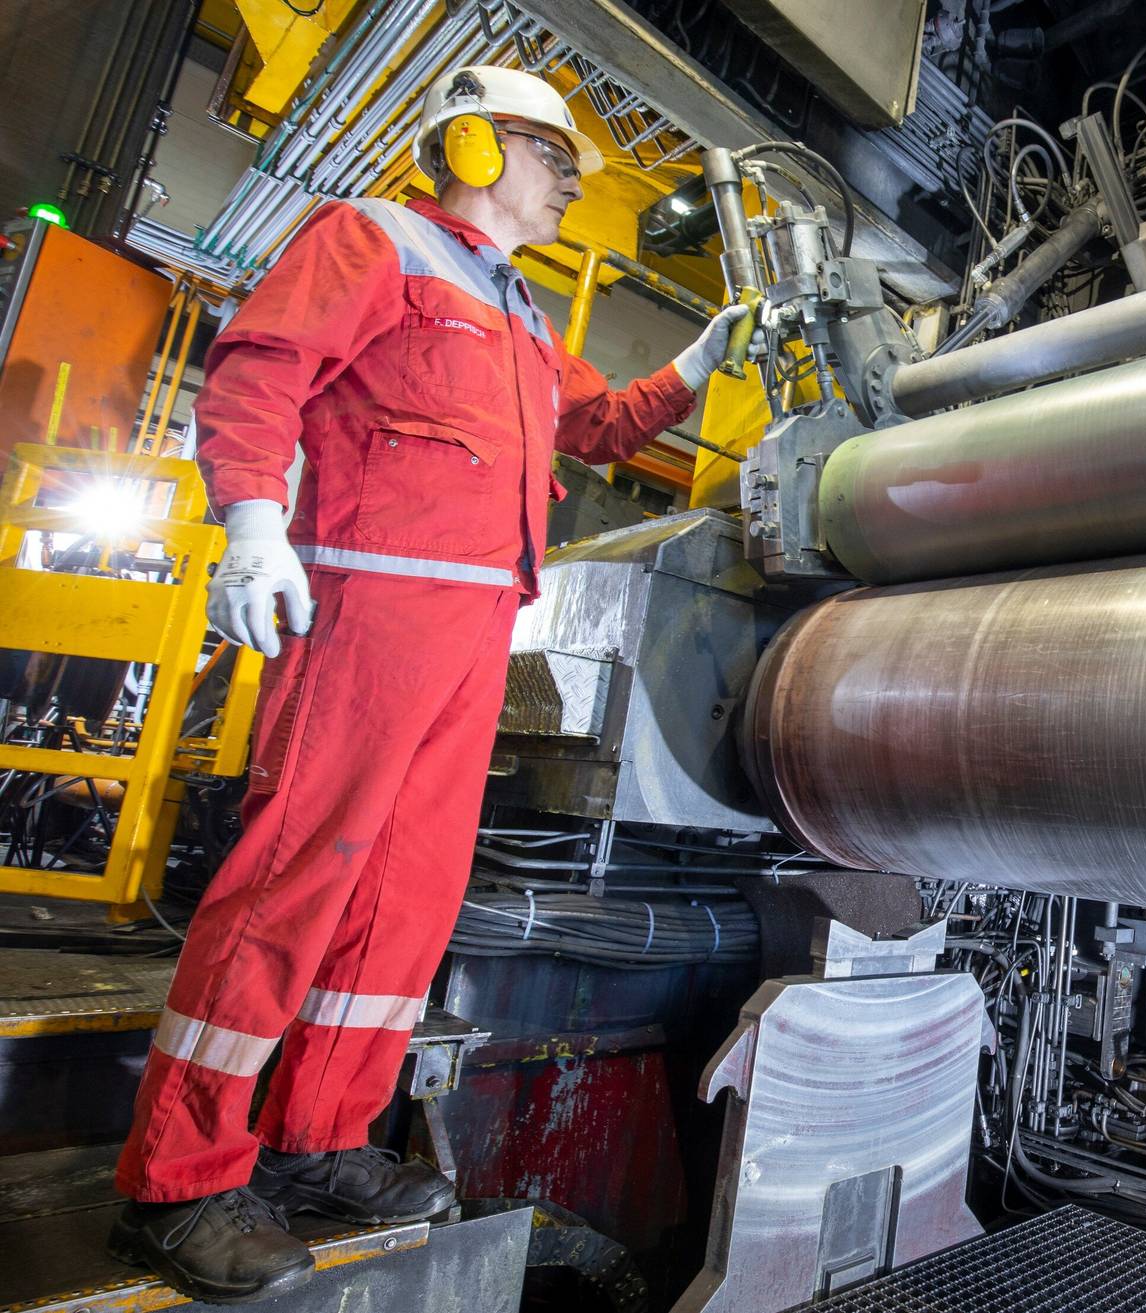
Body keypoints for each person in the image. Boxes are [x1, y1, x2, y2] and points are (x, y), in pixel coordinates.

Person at [107, 66, 750, 1303]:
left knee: (405, 901)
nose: (572, 180)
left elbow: (601, 426)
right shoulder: (375, 238)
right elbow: (258, 369)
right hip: (363, 606)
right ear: (474, 144)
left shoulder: (519, 311)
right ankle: (179, 1178)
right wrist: (252, 522)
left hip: (469, 636)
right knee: (294, 879)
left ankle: (319, 1139)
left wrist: (700, 358)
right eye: (555, 155)